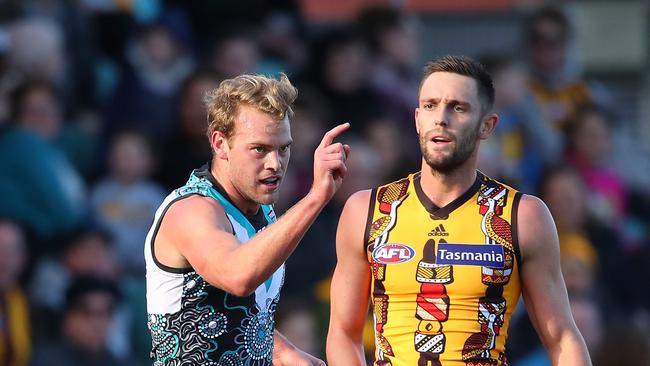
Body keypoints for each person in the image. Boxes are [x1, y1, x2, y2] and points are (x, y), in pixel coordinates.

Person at [326, 55, 590, 365]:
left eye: (458, 107)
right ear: (416, 119)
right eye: (430, 105)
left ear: (487, 126)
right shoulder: (366, 210)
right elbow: (343, 332)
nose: (440, 118)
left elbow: (562, 337)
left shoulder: (523, 216)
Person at [145, 73, 349, 365]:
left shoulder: (262, 209)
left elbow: (240, 312)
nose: (275, 164)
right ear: (219, 143)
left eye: (283, 148)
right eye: (259, 149)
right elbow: (237, 277)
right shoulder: (190, 211)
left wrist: (284, 353)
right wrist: (315, 198)